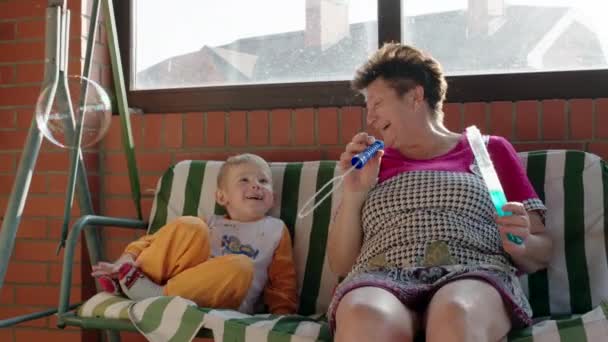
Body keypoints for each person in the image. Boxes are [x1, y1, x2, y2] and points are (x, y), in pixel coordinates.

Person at [327, 43, 552, 342]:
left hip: (472, 273)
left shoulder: (488, 150)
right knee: (364, 315)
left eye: (377, 103)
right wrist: (354, 192)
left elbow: (544, 250)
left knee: (455, 311)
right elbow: (341, 264)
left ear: (415, 96)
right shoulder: (369, 165)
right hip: (380, 278)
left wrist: (521, 242)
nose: (370, 119)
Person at [91, 153, 298, 315]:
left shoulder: (276, 230)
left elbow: (283, 280)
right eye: (244, 180)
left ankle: (152, 293)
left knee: (241, 265)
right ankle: (131, 277)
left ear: (273, 197)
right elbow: (153, 241)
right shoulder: (209, 223)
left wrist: (283, 315)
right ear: (221, 196)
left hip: (225, 296)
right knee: (191, 226)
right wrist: (126, 258)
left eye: (263, 181)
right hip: (180, 283)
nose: (256, 185)